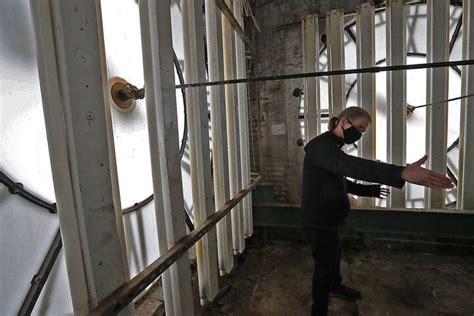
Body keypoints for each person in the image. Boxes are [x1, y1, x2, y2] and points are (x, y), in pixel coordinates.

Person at [301, 106, 454, 316]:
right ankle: (318, 311)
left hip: (329, 219)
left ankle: (335, 287)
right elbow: (352, 166)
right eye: (360, 128)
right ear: (344, 121)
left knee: (334, 255)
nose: (360, 134)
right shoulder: (321, 147)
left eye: (364, 131)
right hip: (318, 221)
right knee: (323, 267)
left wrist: (369, 190)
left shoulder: (332, 147)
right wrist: (400, 172)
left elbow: (340, 179)